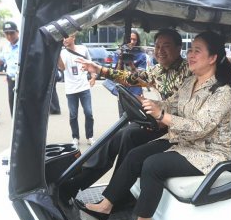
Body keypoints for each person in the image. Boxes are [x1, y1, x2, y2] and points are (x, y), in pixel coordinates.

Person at [76, 31, 231, 220]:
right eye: (191, 50)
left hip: (207, 153)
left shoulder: (222, 92)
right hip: (183, 143)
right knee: (135, 155)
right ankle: (106, 205)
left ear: (213, 57)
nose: (190, 55)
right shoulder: (190, 82)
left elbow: (200, 127)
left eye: (197, 51)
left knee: (153, 165)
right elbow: (172, 104)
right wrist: (151, 105)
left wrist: (162, 116)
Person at [62, 28, 191, 200]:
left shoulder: (189, 71)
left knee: (129, 134)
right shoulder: (159, 70)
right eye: (157, 46)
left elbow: (184, 109)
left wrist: (160, 116)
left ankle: (118, 195)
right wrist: (99, 70)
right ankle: (76, 182)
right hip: (162, 119)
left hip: (178, 126)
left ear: (178, 48)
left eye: (166, 46)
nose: (160, 51)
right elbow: (131, 78)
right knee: (120, 135)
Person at [58, 34, 96, 146]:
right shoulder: (62, 53)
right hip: (70, 89)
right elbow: (62, 68)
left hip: (84, 87)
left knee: (88, 113)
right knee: (73, 115)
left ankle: (90, 136)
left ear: (73, 37)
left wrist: (93, 77)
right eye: (63, 38)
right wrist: (57, 56)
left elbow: (91, 64)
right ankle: (75, 137)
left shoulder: (83, 49)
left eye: (67, 37)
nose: (65, 39)